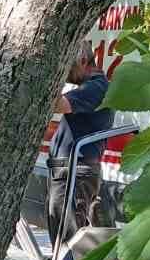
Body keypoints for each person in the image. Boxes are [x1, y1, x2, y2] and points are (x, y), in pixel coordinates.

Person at [46, 42, 113, 248]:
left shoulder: (96, 86)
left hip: (76, 173)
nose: (66, 75)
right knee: (62, 238)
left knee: (69, 243)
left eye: (68, 67)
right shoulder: (90, 87)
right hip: (69, 171)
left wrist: (49, 76)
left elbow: (59, 104)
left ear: (83, 61)